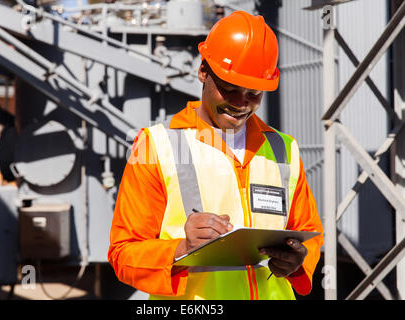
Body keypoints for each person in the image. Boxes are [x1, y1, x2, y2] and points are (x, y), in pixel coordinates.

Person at [108, 11, 324, 300]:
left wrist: (297, 263)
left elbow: (309, 232)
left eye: (254, 94)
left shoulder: (283, 149)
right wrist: (182, 248)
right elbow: (123, 253)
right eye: (229, 89)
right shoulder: (154, 147)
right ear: (203, 72)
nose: (240, 104)